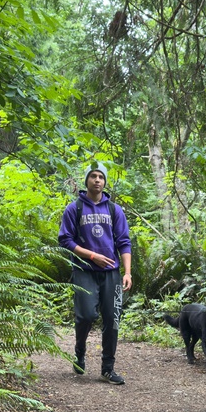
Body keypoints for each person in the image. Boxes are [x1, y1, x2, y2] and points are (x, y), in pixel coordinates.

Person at [58, 164, 133, 384]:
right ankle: (79, 351)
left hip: (111, 273)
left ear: (105, 182)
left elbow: (124, 242)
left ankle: (108, 368)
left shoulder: (114, 210)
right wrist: (91, 256)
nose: (97, 180)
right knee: (86, 316)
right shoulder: (74, 209)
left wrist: (127, 272)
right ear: (87, 180)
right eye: (93, 176)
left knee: (112, 318)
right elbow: (65, 240)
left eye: (101, 177)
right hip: (84, 270)